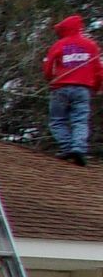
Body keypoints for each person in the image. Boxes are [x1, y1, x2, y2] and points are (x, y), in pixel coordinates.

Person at [43, 13, 103, 165]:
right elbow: (98, 70)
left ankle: (67, 147)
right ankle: (78, 148)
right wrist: (96, 87)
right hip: (83, 89)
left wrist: (50, 79)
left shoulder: (59, 45)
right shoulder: (91, 46)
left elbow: (48, 67)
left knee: (57, 120)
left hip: (60, 87)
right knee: (80, 120)